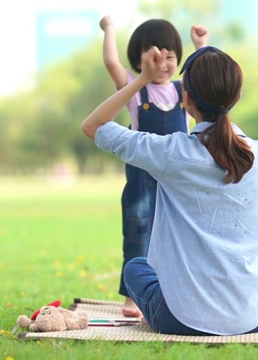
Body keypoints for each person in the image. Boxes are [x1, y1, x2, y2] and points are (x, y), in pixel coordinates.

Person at [81, 46, 258, 335]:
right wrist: (236, 253)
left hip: (177, 318)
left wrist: (142, 79)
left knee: (135, 267)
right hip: (252, 319)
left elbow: (93, 125)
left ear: (186, 99)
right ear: (238, 98)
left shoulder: (170, 152)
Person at [99, 15, 209, 317]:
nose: (163, 63)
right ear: (139, 60)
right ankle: (132, 297)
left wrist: (201, 45)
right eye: (156, 57)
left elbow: (204, 72)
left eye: (170, 57)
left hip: (177, 179)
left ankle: (179, 293)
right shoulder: (136, 90)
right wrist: (109, 29)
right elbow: (111, 61)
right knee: (138, 234)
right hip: (141, 180)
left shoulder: (181, 91)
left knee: (180, 235)